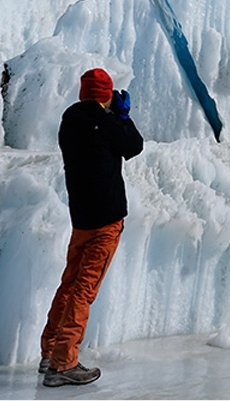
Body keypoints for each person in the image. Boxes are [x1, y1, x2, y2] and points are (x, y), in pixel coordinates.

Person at [39, 67, 144, 387]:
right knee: (85, 289)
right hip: (106, 220)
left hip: (81, 218)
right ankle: (63, 363)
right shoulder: (108, 123)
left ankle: (50, 351)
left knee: (69, 284)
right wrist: (123, 116)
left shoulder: (69, 122)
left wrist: (109, 112)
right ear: (106, 95)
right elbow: (134, 145)